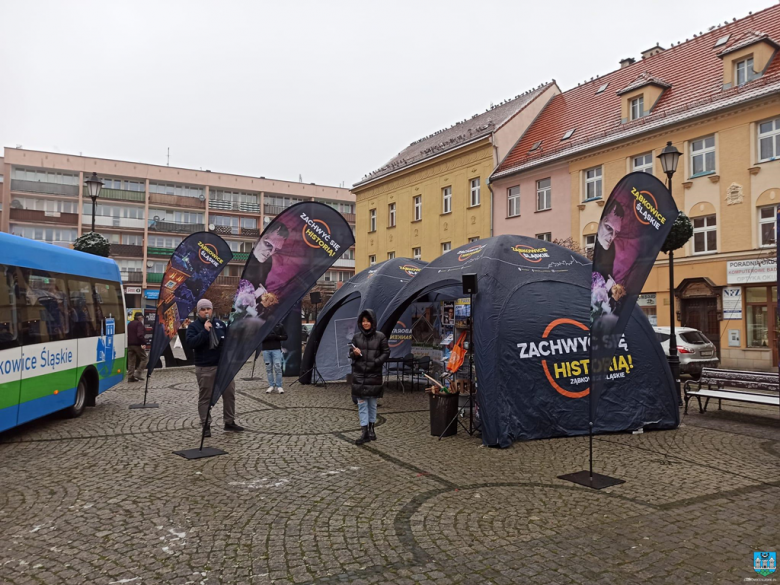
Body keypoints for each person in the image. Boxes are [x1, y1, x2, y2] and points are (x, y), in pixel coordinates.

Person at [186, 298, 244, 437]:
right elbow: (191, 343)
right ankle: (206, 424)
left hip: (223, 367)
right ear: (198, 311)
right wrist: (205, 332)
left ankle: (229, 422)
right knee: (205, 397)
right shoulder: (194, 326)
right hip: (205, 367)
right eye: (203, 309)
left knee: (229, 394)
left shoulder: (219, 324)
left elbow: (226, 342)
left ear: (212, 310)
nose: (206, 311)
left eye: (208, 309)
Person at [349, 309, 389, 445]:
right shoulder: (356, 337)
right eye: (363, 321)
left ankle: (372, 429)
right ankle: (364, 432)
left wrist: (376, 362)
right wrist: (354, 353)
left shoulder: (380, 337)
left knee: (372, 404)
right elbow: (351, 354)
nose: (365, 323)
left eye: (368, 321)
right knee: (362, 405)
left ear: (372, 322)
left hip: (374, 374)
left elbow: (386, 352)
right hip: (359, 375)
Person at [261, 321, 288, 394]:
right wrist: (267, 337)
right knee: (268, 368)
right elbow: (259, 338)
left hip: (276, 349)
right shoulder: (263, 326)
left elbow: (285, 336)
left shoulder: (279, 325)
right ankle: (271, 385)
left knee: (278, 367)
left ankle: (279, 386)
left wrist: (276, 337)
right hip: (266, 350)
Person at [127, 313, 148, 382]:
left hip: (129, 344)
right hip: (137, 344)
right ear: (139, 317)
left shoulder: (130, 324)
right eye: (142, 317)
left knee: (131, 361)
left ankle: (130, 376)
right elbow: (140, 335)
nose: (142, 319)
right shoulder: (139, 324)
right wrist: (143, 343)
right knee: (144, 358)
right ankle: (138, 373)